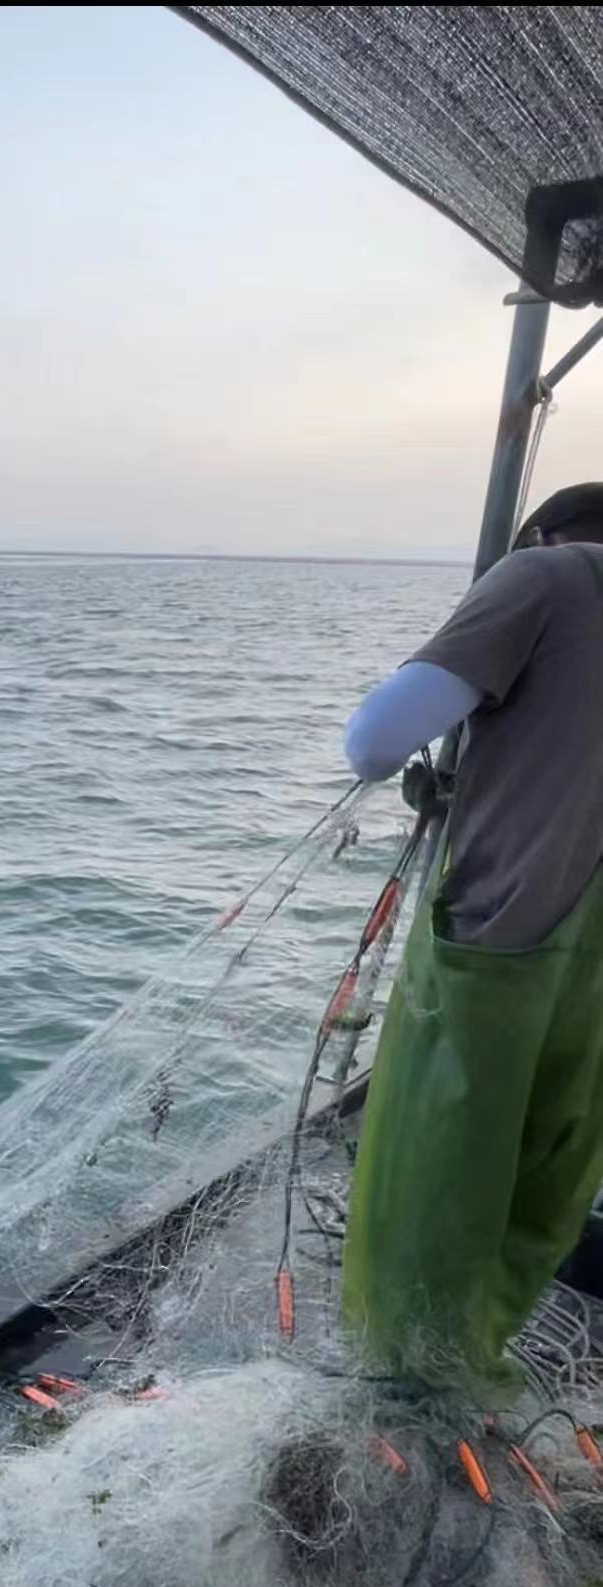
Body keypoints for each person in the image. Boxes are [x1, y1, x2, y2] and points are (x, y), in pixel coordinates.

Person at [339, 482, 603, 1398]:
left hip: (503, 940)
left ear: (545, 533)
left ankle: (395, 1390)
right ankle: (478, 1365)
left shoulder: (545, 575)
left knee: (436, 1167)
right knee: (551, 1177)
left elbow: (376, 742)